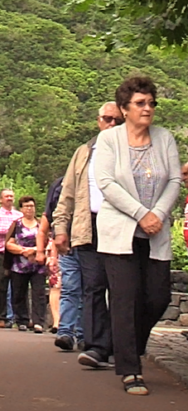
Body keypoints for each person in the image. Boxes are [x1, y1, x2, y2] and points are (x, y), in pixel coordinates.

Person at [95, 76, 181, 396]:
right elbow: (106, 182)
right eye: (140, 103)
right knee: (124, 298)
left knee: (157, 296)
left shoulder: (164, 138)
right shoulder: (109, 141)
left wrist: (155, 215)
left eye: (151, 103)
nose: (147, 109)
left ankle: (128, 343)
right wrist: (140, 214)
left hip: (155, 232)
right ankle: (131, 369)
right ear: (124, 108)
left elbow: (174, 180)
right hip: (120, 231)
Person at [51, 102, 123, 358]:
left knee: (120, 288)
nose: (112, 124)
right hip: (88, 227)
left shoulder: (130, 150)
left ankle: (119, 344)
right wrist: (61, 229)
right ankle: (96, 346)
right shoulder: (84, 153)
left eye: (117, 120)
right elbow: (67, 194)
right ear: (98, 120)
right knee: (92, 287)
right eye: (107, 119)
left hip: (120, 227)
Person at [5, 196, 47, 333]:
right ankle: (22, 320)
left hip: (38, 264)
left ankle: (38, 322)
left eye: (32, 206)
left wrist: (34, 250)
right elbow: (8, 244)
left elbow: (49, 241)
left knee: (39, 293)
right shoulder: (16, 224)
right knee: (19, 293)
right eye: (26, 206)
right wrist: (23, 251)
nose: (29, 209)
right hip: (19, 265)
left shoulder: (41, 224)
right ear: (21, 209)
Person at [0, 189, 21, 328]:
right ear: (0, 200)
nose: (9, 198)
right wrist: (16, 228)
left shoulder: (19, 215)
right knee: (0, 286)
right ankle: (1, 318)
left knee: (18, 286)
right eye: (6, 196)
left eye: (11, 196)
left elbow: (26, 230)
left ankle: (19, 318)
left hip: (16, 253)